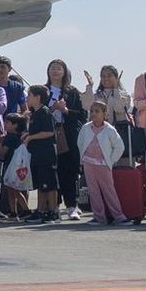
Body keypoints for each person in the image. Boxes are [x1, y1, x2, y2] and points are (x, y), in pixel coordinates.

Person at [42, 59, 84, 217]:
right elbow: (36, 112)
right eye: (52, 68)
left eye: (59, 68)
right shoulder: (43, 90)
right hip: (49, 135)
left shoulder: (72, 91)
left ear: (64, 72)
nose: (55, 71)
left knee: (70, 170)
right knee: (54, 170)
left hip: (68, 134)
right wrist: (53, 108)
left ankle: (72, 205)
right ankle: (54, 205)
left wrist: (65, 110)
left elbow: (81, 115)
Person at [77, 100, 128, 226]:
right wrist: (83, 157)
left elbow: (119, 146)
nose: (93, 114)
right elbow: (80, 142)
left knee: (109, 190)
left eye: (97, 111)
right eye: (92, 111)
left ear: (105, 114)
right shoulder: (86, 127)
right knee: (93, 191)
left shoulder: (109, 129)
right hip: (89, 163)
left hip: (103, 164)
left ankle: (119, 216)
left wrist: (110, 160)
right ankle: (99, 217)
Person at [23, 85, 61, 222]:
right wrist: (27, 134)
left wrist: (31, 137)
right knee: (41, 185)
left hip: (46, 155)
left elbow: (49, 132)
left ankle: (53, 212)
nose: (27, 98)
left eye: (30, 95)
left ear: (37, 97)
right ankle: (40, 211)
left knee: (49, 185)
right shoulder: (35, 113)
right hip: (37, 155)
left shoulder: (44, 112)